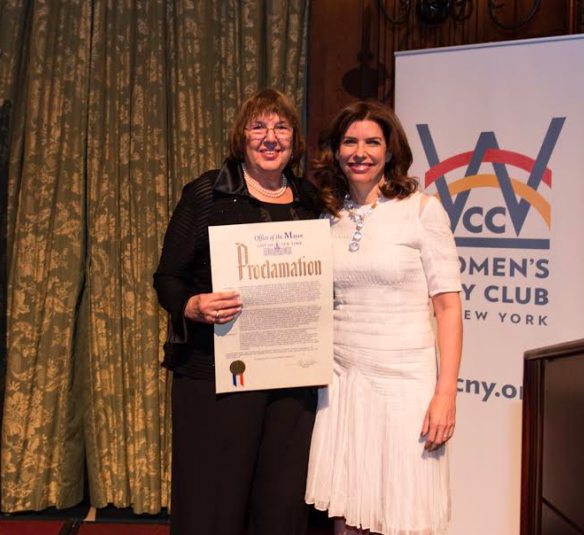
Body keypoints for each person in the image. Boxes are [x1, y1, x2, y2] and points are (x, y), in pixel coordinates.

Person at [153, 88, 320, 535]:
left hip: (291, 376)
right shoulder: (207, 193)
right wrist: (192, 305)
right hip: (217, 374)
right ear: (241, 137)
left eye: (281, 127)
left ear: (294, 139)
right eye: (258, 126)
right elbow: (167, 278)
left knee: (281, 502)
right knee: (213, 502)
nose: (270, 137)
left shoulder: (310, 200)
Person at [304, 101, 463, 535]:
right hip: (342, 382)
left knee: (402, 513)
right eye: (349, 142)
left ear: (390, 151)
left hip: (405, 384)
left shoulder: (421, 210)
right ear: (336, 152)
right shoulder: (326, 217)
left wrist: (445, 393)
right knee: (348, 513)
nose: (361, 152)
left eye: (372, 142)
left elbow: (448, 308)